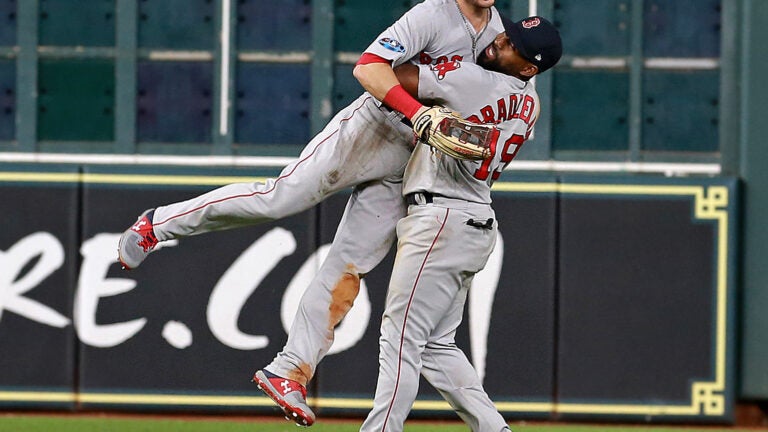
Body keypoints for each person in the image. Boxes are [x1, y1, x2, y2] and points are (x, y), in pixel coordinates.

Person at [118, 0, 502, 426]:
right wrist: (417, 113)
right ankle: (157, 224)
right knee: (279, 197)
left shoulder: (495, 29)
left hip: (415, 160)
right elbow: (369, 67)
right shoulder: (434, 14)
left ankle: (289, 369)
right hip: (375, 126)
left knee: (348, 269)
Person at [357, 16, 562, 432]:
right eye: (508, 34)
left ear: (527, 68)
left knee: (401, 340)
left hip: (440, 218)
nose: (499, 41)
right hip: (474, 221)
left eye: (511, 46)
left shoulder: (471, 80)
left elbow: (387, 74)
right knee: (436, 345)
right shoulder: (531, 101)